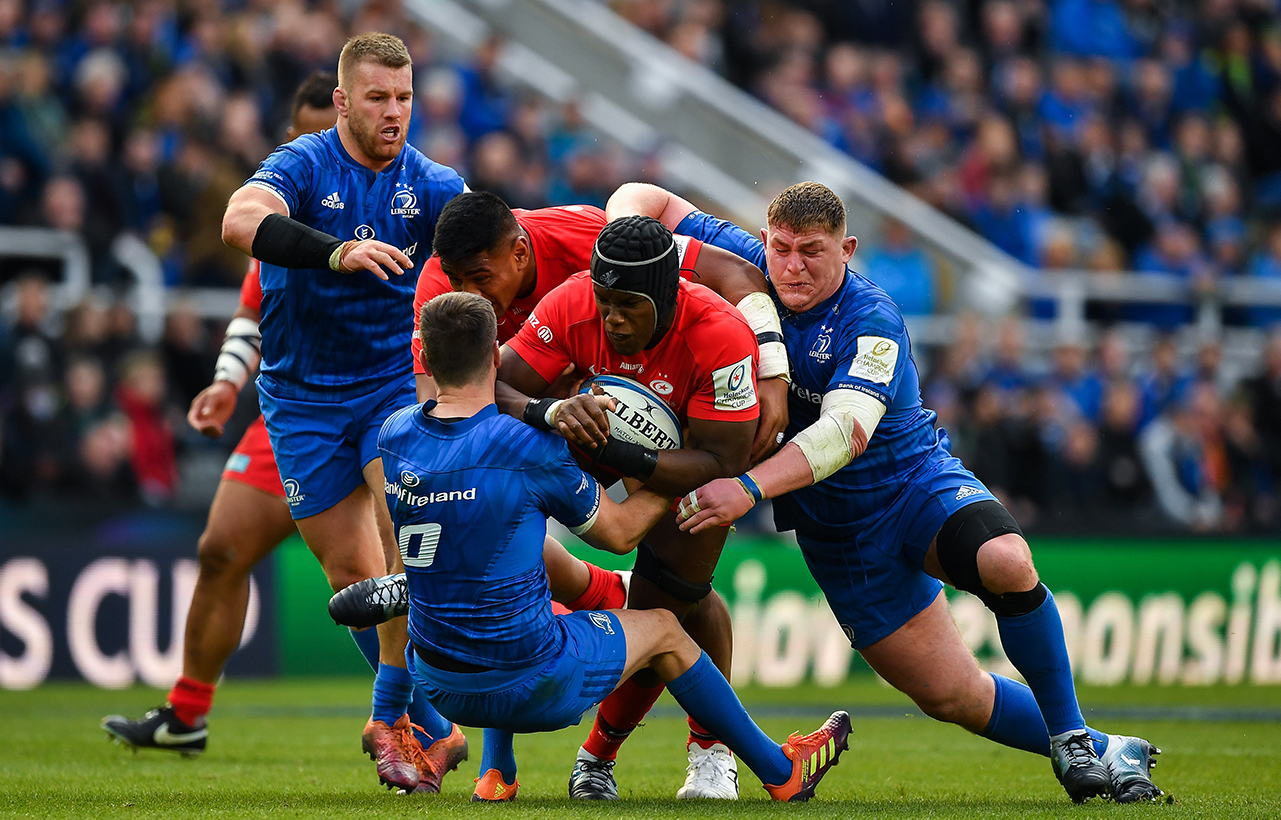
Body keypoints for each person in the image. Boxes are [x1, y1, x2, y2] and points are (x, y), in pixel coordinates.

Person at [611, 181, 1164, 804]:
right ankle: (1107, 747)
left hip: (913, 488)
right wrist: (623, 243)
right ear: (766, 240)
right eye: (783, 248)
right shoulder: (746, 265)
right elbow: (641, 198)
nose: (793, 265)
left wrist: (746, 487)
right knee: (953, 696)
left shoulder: (871, 318)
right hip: (840, 538)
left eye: (813, 251)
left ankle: (1071, 743)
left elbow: (844, 432)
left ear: (847, 249)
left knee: (1007, 562)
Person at [385, 290, 850, 803]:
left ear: (424, 357)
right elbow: (621, 532)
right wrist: (683, 460)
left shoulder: (395, 434)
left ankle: (496, 774)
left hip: (437, 683)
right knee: (666, 629)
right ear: (496, 355)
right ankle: (782, 772)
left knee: (526, 557)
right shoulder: (527, 447)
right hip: (534, 686)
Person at [218, 33, 466, 794]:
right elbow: (237, 221)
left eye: (404, 98)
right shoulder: (304, 163)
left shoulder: (433, 185)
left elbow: (491, 262)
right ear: (341, 102)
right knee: (354, 584)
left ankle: (391, 721)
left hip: (393, 387)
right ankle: (437, 726)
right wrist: (333, 252)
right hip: (299, 400)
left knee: (407, 552)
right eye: (377, 98)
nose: (394, 113)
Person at [100, 70, 343, 756]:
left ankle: (422, 727)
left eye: (327, 136)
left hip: (372, 415)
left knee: (367, 580)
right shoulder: (279, 215)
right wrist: (227, 382)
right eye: (302, 138)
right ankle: (188, 714)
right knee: (220, 549)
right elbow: (250, 312)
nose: (313, 152)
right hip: (290, 411)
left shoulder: (396, 207)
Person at [494, 216, 764, 799]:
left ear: (665, 298)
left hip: (687, 470)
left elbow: (722, 461)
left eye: (628, 305)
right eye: (604, 300)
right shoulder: (572, 303)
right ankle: (497, 761)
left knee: (666, 605)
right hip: (589, 449)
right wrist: (551, 412)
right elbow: (496, 386)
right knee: (499, 503)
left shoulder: (720, 332)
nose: (611, 317)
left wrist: (622, 448)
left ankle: (620, 755)